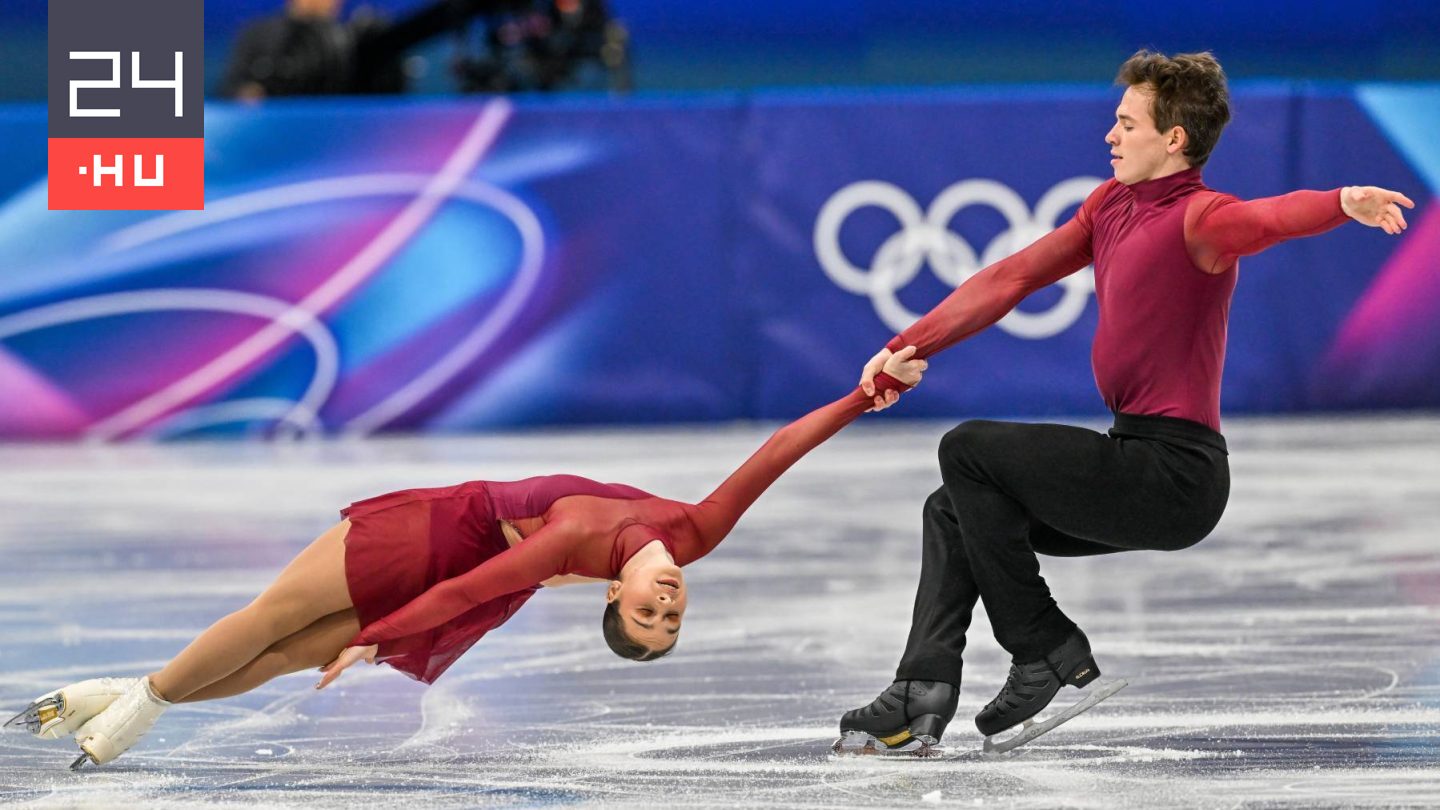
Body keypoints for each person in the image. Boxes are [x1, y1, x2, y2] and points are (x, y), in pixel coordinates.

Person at [836, 49, 1415, 755]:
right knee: (953, 506)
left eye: (1126, 122)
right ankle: (922, 690)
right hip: (1131, 455)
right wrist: (911, 344)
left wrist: (1339, 203)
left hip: (1175, 475)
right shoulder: (1110, 205)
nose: (1110, 135)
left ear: (1173, 139)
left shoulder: (1200, 218)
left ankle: (1044, 644)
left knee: (969, 449)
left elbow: (1267, 219)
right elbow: (1011, 277)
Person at [7, 352, 926, 768]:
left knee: (289, 652)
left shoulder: (576, 547)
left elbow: (473, 587)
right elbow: (776, 454)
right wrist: (861, 394)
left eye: (650, 617)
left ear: (616, 594)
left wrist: (381, 639)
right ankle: (136, 705)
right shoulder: (696, 530)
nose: (668, 602)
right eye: (671, 615)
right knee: (274, 623)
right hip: (441, 533)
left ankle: (129, 695)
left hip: (460, 564)